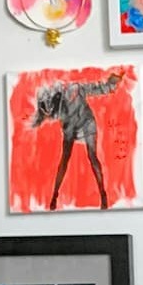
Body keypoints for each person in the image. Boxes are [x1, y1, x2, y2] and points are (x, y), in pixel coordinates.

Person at [31, 72, 124, 211]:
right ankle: (54, 195)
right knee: (64, 159)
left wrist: (112, 83)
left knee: (92, 156)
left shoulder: (75, 89)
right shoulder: (49, 105)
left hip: (87, 123)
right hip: (69, 127)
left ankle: (103, 194)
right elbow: (43, 116)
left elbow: (97, 88)